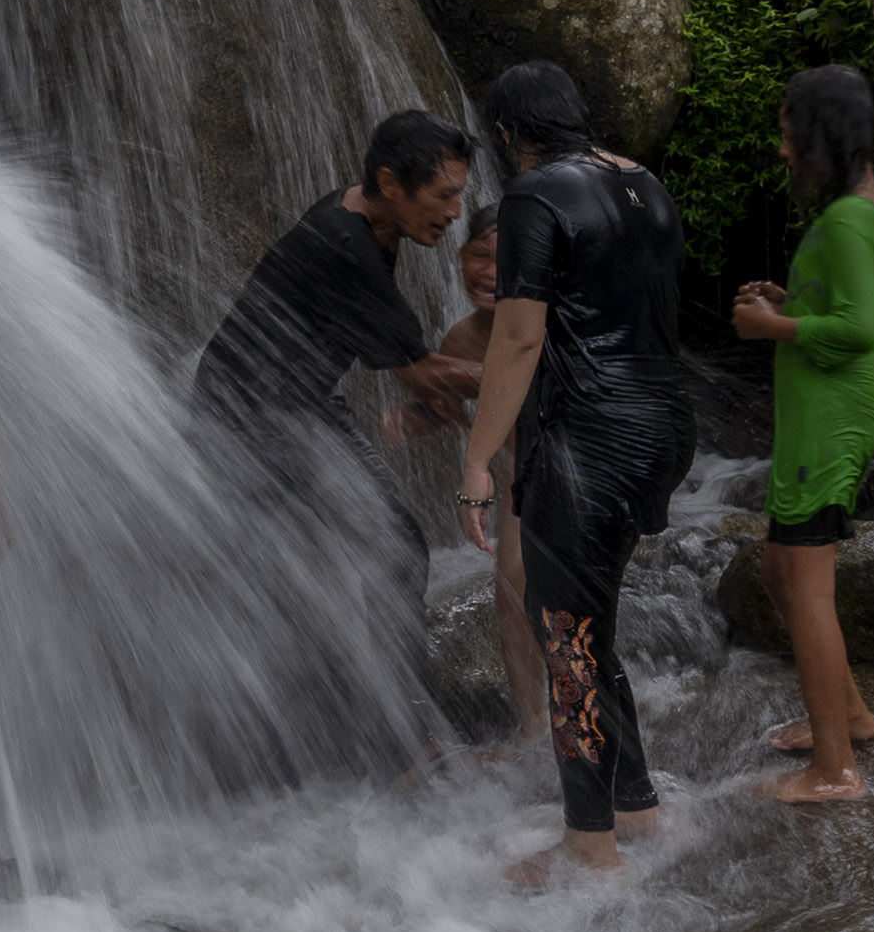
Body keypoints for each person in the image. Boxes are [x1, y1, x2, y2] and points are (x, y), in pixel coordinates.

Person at [453, 62, 697, 882]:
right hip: (662, 426)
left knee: (565, 636)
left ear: (507, 133)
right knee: (589, 624)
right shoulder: (645, 183)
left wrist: (478, 460)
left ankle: (589, 844)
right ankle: (638, 807)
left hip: (584, 441)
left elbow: (519, 339)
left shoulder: (535, 195)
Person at [191, 110, 487, 689]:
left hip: (290, 401)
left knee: (350, 561)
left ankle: (361, 719)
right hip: (251, 417)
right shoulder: (345, 244)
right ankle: (397, 737)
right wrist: (530, 370)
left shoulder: (363, 213)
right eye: (444, 195)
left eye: (461, 196)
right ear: (389, 183)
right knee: (391, 552)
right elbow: (422, 376)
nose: (455, 214)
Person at [730, 64, 874, 806]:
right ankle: (852, 716)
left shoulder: (846, 221)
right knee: (779, 569)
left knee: (805, 584)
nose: (783, 151)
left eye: (788, 135)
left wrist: (776, 325)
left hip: (830, 421)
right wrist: (793, 298)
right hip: (830, 414)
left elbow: (868, 330)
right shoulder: (869, 209)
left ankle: (835, 770)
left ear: (820, 135)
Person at [431, 213, 550, 753]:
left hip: (561, 474)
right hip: (513, 483)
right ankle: (535, 724)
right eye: (478, 255)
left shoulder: (544, 324)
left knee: (543, 589)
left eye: (505, 262)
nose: (488, 272)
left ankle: (581, 709)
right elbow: (448, 399)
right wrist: (414, 417)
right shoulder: (463, 335)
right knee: (510, 596)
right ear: (458, 258)